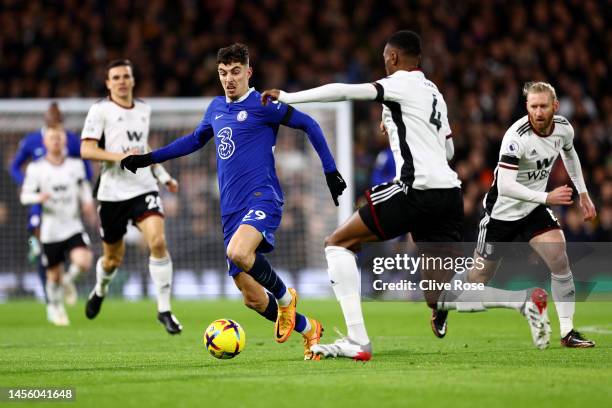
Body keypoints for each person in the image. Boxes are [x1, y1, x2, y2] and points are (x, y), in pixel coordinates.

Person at [121, 43, 346, 360]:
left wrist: (330, 170)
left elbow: (310, 124)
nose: (229, 79)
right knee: (252, 298)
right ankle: (310, 330)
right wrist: (149, 158)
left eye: (236, 72)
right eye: (223, 73)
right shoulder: (215, 108)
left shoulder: (263, 103)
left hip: (262, 197)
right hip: (231, 209)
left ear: (248, 72)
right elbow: (194, 141)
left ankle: (285, 298)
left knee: (239, 252)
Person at [261, 30, 464, 360]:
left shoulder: (399, 82)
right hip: (450, 194)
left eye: (385, 58)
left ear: (394, 58)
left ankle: (358, 340)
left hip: (416, 190)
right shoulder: (434, 92)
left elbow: (343, 91)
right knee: (434, 296)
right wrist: (401, 127)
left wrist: (287, 96)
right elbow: (450, 150)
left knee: (337, 243)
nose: (384, 63)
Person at [436, 82, 596, 348]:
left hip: (532, 209)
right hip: (501, 214)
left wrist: (583, 193)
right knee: (477, 279)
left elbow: (570, 154)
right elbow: (507, 186)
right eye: (533, 106)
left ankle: (568, 332)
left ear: (555, 106)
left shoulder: (564, 128)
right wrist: (547, 197)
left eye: (543, 106)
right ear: (527, 107)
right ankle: (443, 302)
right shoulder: (516, 137)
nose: (538, 112)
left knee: (559, 255)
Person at [80, 59, 183, 335]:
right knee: (113, 259)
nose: (122, 81)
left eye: (126, 76)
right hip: (112, 194)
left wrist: (163, 177)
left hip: (143, 187)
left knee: (158, 241)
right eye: (116, 77)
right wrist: (120, 158)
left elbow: (142, 147)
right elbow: (87, 150)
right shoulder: (100, 111)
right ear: (108, 83)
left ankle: (164, 310)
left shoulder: (144, 109)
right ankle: (100, 288)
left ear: (133, 80)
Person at [9, 102, 93, 304]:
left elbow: (86, 169)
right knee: (37, 244)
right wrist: (28, 185)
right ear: (45, 119)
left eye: (58, 118)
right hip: (40, 204)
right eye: (51, 118)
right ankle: (48, 293)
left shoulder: (71, 141)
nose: (54, 121)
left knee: (69, 246)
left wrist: (84, 195)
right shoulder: (32, 141)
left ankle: (63, 281)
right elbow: (14, 167)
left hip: (66, 204)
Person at [20, 127, 94, 326]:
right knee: (53, 276)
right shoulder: (36, 168)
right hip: (51, 230)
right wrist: (38, 197)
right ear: (45, 142)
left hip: (72, 224)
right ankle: (55, 307)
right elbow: (24, 196)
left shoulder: (75, 165)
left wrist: (87, 202)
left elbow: (84, 187)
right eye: (52, 138)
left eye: (59, 138)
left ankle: (68, 282)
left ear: (64, 141)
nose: (56, 141)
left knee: (84, 261)